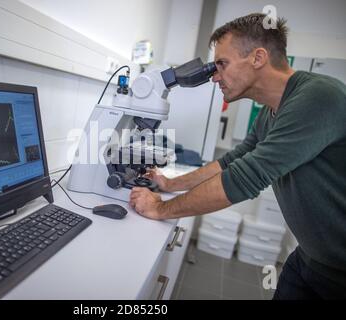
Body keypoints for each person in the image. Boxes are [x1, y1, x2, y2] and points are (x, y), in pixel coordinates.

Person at [129, 13, 346, 299]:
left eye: (222, 64)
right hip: (308, 257)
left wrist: (161, 209)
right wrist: (170, 184)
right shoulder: (270, 113)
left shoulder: (318, 97)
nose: (215, 76)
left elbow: (245, 178)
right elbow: (231, 162)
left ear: (258, 57)